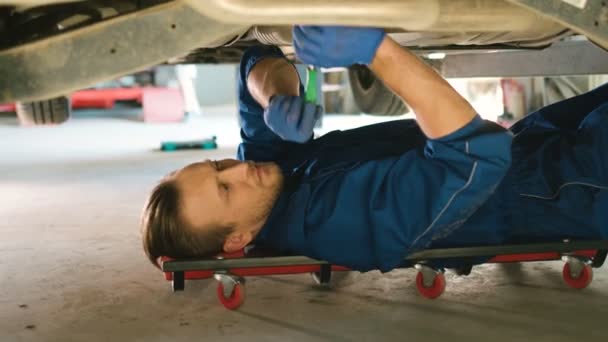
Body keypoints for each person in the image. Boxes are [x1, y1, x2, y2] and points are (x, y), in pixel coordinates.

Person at [141, 26, 608, 272]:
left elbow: (256, 63)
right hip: (563, 189)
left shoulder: (270, 181)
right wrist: (377, 51)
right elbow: (473, 154)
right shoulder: (337, 225)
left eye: (219, 164)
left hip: (535, 142)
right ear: (237, 240)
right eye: (225, 189)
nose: (242, 170)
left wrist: (275, 97)